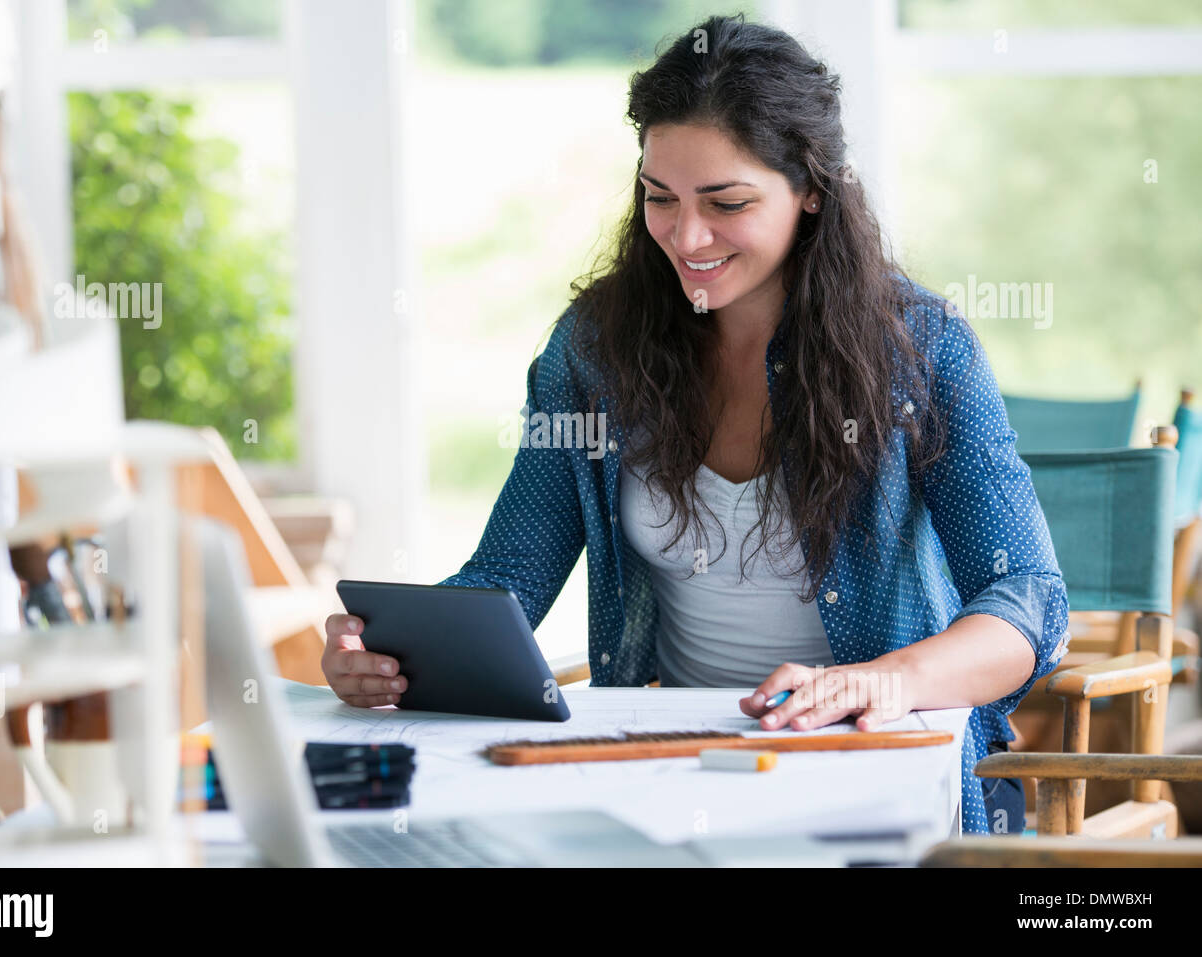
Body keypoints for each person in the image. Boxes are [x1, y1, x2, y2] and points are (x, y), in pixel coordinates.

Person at [322, 12, 1067, 836]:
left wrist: (883, 680)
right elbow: (506, 578)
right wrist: (392, 656)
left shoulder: (921, 349)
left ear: (811, 190)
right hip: (670, 774)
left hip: (865, 761)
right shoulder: (593, 353)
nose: (686, 236)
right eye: (659, 197)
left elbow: (1030, 599)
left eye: (727, 202)